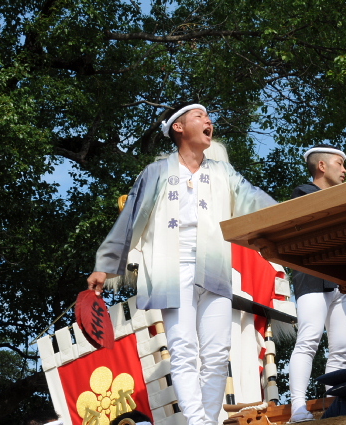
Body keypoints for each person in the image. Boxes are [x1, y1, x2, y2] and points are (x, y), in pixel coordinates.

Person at [87, 104, 276, 425]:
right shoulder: (155, 172)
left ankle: (207, 421)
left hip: (214, 268)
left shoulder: (223, 172)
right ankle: (199, 422)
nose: (208, 121)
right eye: (200, 117)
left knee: (217, 353)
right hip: (170, 271)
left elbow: (256, 201)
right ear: (178, 127)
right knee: (184, 350)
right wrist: (104, 266)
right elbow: (131, 221)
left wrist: (295, 216)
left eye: (208, 117)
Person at [288, 144, 346, 422]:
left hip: (342, 279)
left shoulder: (344, 199)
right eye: (340, 163)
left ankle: (335, 407)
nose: (345, 170)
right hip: (313, 275)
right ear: (322, 166)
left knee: (343, 348)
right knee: (308, 340)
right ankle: (297, 407)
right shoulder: (303, 194)